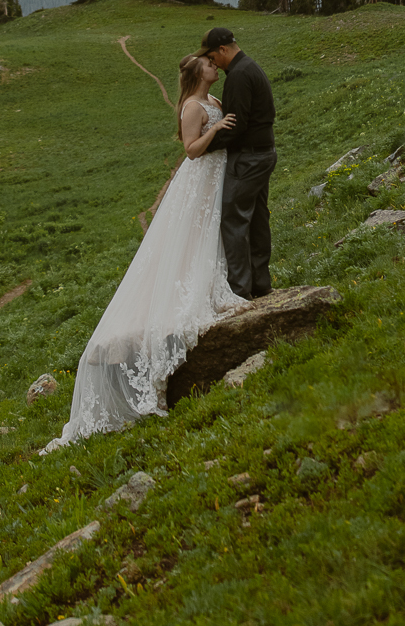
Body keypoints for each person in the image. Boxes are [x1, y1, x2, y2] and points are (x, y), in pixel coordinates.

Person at [47, 52, 246, 446]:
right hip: (200, 175)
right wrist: (216, 129)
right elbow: (191, 149)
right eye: (208, 64)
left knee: (209, 234)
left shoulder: (216, 100)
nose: (214, 66)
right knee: (191, 235)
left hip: (216, 175)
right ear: (197, 73)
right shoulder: (192, 106)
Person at [199, 27, 275, 299]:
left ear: (222, 49)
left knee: (233, 218)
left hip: (248, 157)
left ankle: (240, 290)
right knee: (256, 217)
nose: (211, 62)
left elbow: (236, 125)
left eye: (211, 56)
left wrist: (208, 144)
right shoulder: (248, 67)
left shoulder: (239, 76)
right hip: (262, 153)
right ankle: (260, 283)